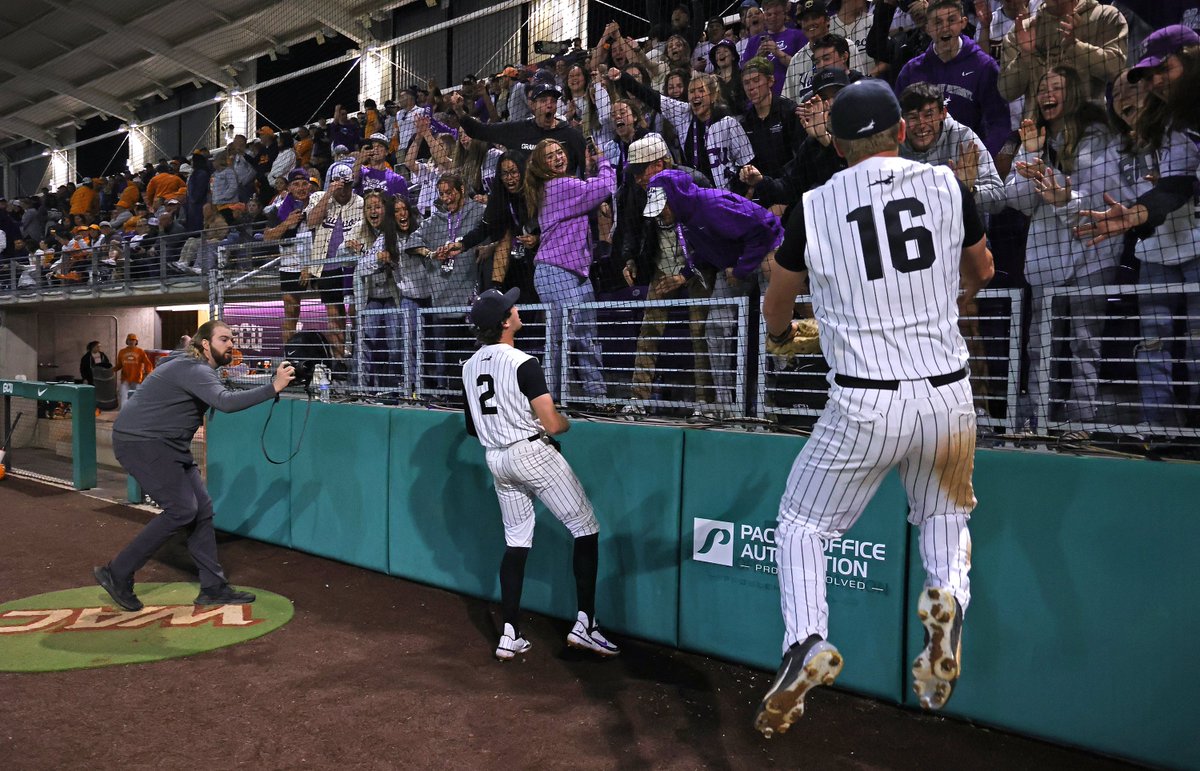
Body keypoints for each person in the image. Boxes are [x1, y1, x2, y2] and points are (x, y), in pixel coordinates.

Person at [754, 79, 993, 737]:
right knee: (944, 515)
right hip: (949, 394)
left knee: (802, 522)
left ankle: (805, 639)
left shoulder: (816, 203)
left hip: (866, 400)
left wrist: (786, 334)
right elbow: (983, 271)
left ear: (836, 143)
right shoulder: (948, 185)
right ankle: (946, 599)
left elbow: (777, 302)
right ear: (899, 132)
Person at [460, 287, 619, 661]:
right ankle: (587, 625)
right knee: (585, 528)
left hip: (497, 459)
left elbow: (472, 428)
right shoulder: (523, 361)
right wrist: (564, 421)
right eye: (511, 308)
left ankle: (509, 634)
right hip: (532, 452)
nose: (517, 309)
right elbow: (552, 423)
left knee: (517, 542)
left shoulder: (467, 367)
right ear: (503, 322)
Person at [93, 321, 296, 612]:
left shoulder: (190, 361)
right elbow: (223, 402)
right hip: (142, 442)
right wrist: (273, 386)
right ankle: (117, 572)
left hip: (167, 445)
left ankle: (212, 587)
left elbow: (186, 359)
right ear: (205, 345)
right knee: (182, 510)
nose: (231, 344)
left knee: (201, 509)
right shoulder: (196, 368)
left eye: (232, 339)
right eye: (224, 339)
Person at [523, 138, 614, 402]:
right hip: (555, 272)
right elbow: (605, 186)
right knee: (561, 340)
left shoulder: (566, 185)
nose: (558, 157)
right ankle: (551, 400)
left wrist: (587, 171)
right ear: (542, 166)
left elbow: (587, 193)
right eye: (550, 156)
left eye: (560, 152)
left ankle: (596, 397)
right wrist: (603, 161)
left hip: (577, 272)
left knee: (587, 337)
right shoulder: (559, 185)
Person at [115, 333, 154, 406]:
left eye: (133, 340)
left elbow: (147, 363)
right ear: (127, 341)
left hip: (137, 378)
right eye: (129, 340)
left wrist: (149, 373)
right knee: (124, 396)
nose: (131, 341)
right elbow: (120, 364)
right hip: (125, 378)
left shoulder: (140, 351)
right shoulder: (122, 352)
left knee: (137, 397)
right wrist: (113, 370)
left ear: (136, 341)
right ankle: (124, 413)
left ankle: (135, 412)